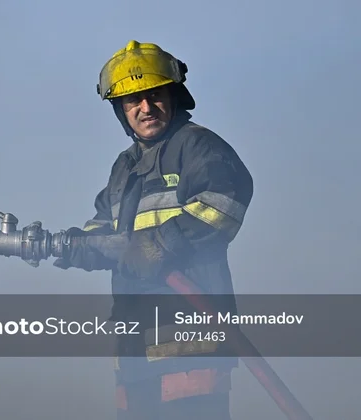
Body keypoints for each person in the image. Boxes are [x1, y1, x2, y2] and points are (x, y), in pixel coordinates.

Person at [54, 41, 254, 419]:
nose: (146, 107)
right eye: (133, 100)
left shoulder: (196, 145)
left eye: (155, 95)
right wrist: (67, 245)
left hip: (189, 337)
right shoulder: (125, 166)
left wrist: (159, 244)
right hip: (136, 345)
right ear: (120, 110)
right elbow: (106, 233)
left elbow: (223, 202)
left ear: (174, 95)